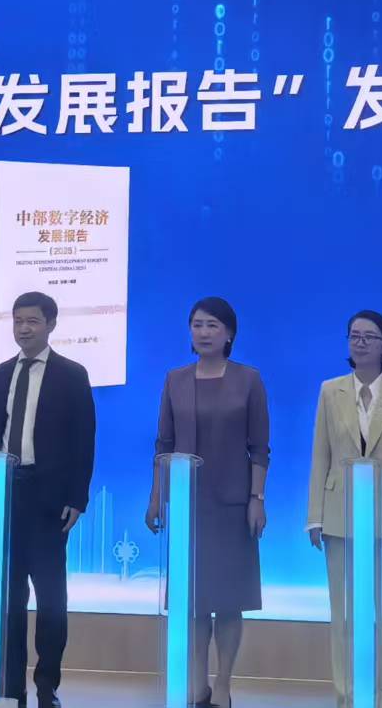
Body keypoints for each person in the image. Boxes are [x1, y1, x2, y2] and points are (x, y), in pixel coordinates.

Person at [145, 297, 269, 708]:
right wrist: (157, 496)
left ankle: (223, 684)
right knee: (194, 602)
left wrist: (257, 498)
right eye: (197, 324)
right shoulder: (175, 380)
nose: (204, 332)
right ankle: (197, 684)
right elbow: (163, 444)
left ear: (229, 333)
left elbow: (259, 448)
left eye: (213, 325)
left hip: (233, 505)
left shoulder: (249, 380)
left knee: (229, 602)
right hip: (188, 506)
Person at [0, 291, 96, 708]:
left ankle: (47, 686)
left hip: (49, 502)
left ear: (51, 325)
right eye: (17, 321)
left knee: (51, 601)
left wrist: (77, 498)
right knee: (9, 600)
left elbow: (84, 441)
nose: (23, 328)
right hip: (7, 496)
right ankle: (12, 688)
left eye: (32, 321)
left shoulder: (72, 375)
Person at [306, 312, 382, 708]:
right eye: (354, 336)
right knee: (345, 614)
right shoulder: (330, 391)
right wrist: (315, 515)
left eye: (369, 337)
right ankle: (348, 694)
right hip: (340, 514)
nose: (360, 343)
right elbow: (320, 455)